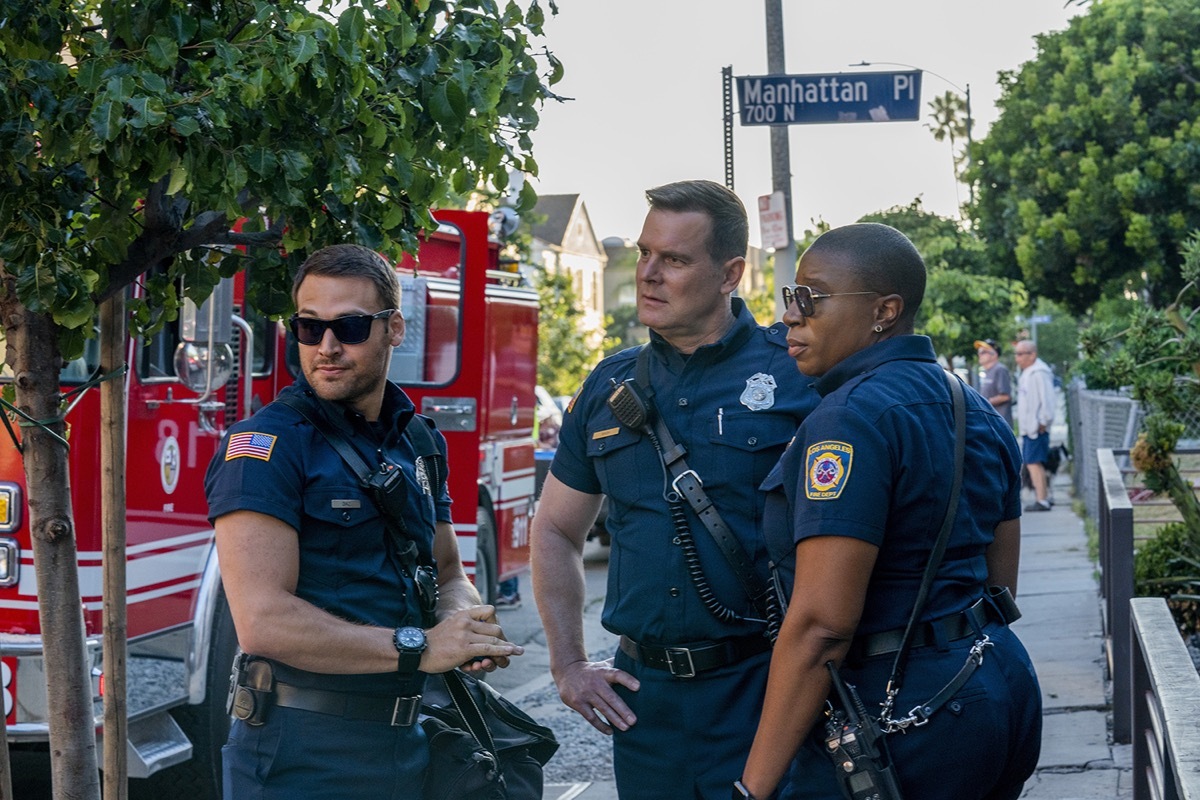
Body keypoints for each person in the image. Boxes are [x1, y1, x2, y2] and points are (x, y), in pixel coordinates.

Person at [531, 179, 820, 799]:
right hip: (645, 707)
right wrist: (569, 664)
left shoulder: (795, 375)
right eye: (643, 253)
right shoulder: (609, 386)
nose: (648, 274)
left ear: (730, 273)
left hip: (765, 688)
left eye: (676, 259)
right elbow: (554, 528)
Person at [205, 243, 523, 799]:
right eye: (309, 328)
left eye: (349, 326)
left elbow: (448, 574)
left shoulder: (418, 440)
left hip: (408, 744)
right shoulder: (265, 447)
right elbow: (263, 620)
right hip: (301, 755)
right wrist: (421, 646)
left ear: (394, 328)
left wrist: (465, 627)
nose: (326, 347)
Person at [737, 223, 1041, 800]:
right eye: (789, 298)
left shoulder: (848, 421)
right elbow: (1001, 583)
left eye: (811, 297)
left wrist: (752, 789)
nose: (790, 317)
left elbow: (823, 626)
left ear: (885, 310)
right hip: (995, 680)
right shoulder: (970, 403)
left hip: (905, 710)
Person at [1014, 338, 1056, 512]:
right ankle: (1044, 496)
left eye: (1021, 354)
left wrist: (1043, 421)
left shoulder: (1039, 373)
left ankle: (1042, 499)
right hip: (1029, 427)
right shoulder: (1027, 372)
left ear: (1032, 355)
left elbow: (1047, 399)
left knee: (1033, 462)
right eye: (1016, 354)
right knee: (1033, 462)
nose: (1018, 358)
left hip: (1036, 427)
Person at [974, 337, 1013, 426]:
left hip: (1000, 424)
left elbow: (1005, 396)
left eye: (983, 352)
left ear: (994, 354)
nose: (979, 355)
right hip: (991, 422)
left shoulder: (1000, 369)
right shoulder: (987, 371)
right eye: (979, 352)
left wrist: (982, 403)